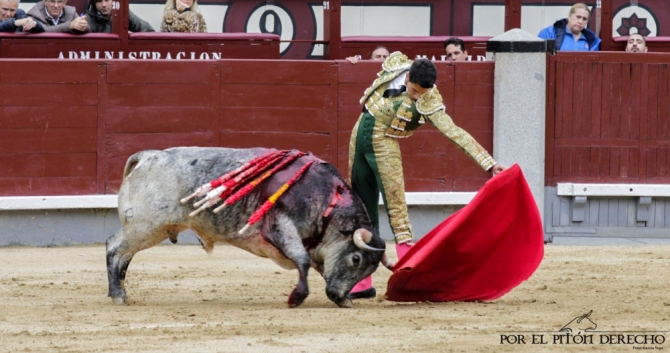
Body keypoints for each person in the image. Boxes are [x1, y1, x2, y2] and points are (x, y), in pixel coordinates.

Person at [347, 53, 506, 299]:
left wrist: (488, 163)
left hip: (384, 145)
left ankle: (410, 275)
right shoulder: (396, 65)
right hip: (358, 136)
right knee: (360, 208)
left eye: (422, 93)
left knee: (396, 207)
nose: (417, 96)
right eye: (414, 90)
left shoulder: (430, 99)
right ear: (407, 76)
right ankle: (362, 281)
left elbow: (454, 132)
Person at [85, 0, 154, 33]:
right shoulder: (88, 19)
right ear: (93, 3)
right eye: (99, 1)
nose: (104, 5)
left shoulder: (122, 13)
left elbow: (148, 30)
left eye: (107, 0)